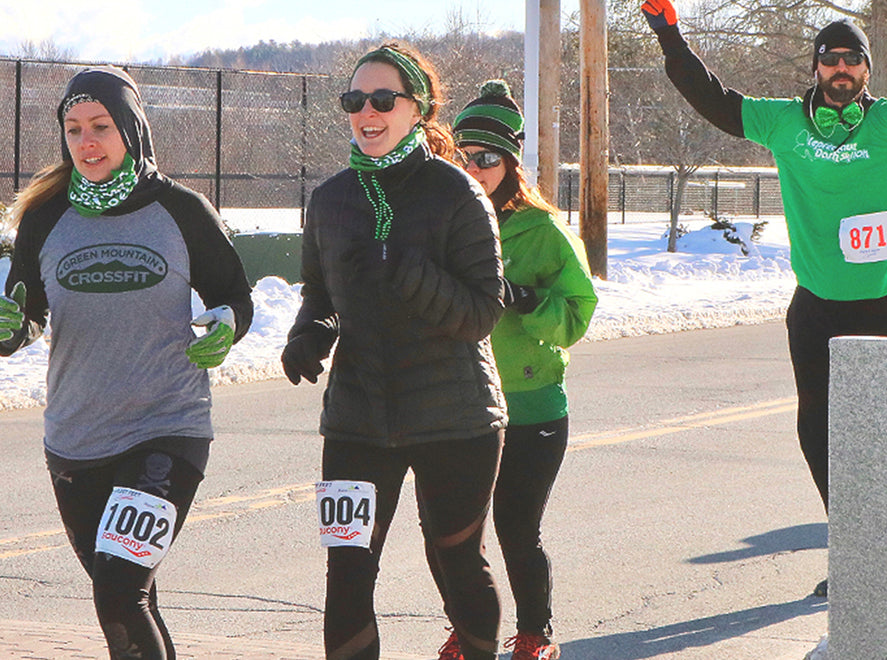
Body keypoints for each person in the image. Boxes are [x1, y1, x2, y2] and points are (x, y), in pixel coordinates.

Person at [641, 0, 887, 593]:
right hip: (815, 306)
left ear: (867, 71)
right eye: (830, 59)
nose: (840, 69)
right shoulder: (784, 123)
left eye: (852, 60)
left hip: (881, 303)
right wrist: (670, 34)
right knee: (819, 437)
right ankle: (855, 552)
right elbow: (713, 99)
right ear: (816, 69)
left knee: (880, 433)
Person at [0, 66, 253, 658]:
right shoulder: (44, 218)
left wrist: (225, 327)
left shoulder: (182, 210)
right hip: (76, 437)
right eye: (74, 128)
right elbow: (26, 313)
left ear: (131, 128)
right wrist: (8, 330)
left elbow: (234, 298)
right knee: (129, 600)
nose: (87, 142)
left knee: (119, 593)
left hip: (166, 428)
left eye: (101, 126)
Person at [280, 43, 507, 660]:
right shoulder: (329, 200)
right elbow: (322, 294)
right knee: (347, 571)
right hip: (357, 417)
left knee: (455, 559)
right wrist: (309, 336)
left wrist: (412, 274)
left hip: (455, 419)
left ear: (418, 109)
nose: (367, 113)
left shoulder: (456, 193)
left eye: (383, 99)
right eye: (355, 101)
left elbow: (484, 311)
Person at [434, 80, 598, 660]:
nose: (475, 168)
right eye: (465, 157)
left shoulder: (545, 230)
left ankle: (534, 634)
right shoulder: (442, 221)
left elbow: (578, 315)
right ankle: (468, 629)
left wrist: (529, 301)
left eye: (488, 158)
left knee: (515, 528)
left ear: (510, 162)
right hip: (461, 402)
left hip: (532, 405)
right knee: (453, 535)